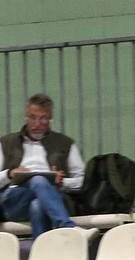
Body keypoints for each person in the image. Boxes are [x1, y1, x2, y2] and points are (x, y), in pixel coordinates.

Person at [0, 93, 84, 236]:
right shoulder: (6, 142)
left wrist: (63, 182)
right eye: (33, 117)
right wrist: (9, 174)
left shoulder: (65, 143)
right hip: (13, 201)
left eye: (43, 118)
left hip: (50, 199)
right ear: (26, 117)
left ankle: (41, 256)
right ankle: (68, 228)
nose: (37, 124)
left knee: (37, 206)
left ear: (50, 119)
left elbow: (81, 181)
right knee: (38, 179)